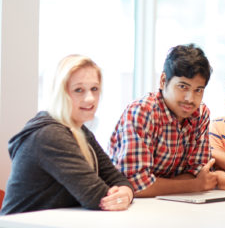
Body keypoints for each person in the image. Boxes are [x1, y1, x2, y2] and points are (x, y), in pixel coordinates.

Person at [0, 55, 134, 215]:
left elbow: (117, 179)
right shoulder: (50, 135)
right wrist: (121, 196)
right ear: (60, 93)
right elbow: (96, 197)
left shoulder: (80, 130)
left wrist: (125, 193)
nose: (90, 98)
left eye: (94, 89)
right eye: (79, 90)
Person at [108, 43, 217, 197]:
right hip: (128, 206)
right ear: (163, 80)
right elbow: (135, 185)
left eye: (198, 90)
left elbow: (199, 171)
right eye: (183, 87)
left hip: (175, 203)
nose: (190, 99)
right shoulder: (143, 111)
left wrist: (188, 183)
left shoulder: (201, 113)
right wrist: (193, 185)